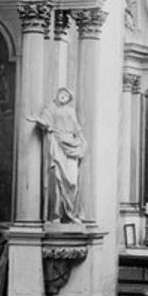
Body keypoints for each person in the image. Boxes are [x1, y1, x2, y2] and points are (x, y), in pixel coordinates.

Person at [28, 88, 86, 223]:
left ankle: (72, 213)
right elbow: (46, 123)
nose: (64, 96)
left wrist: (81, 142)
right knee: (57, 179)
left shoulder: (71, 110)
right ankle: (56, 214)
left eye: (67, 95)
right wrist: (37, 120)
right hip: (56, 143)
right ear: (57, 94)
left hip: (71, 145)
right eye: (62, 94)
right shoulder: (50, 108)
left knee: (73, 181)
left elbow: (76, 128)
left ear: (69, 99)